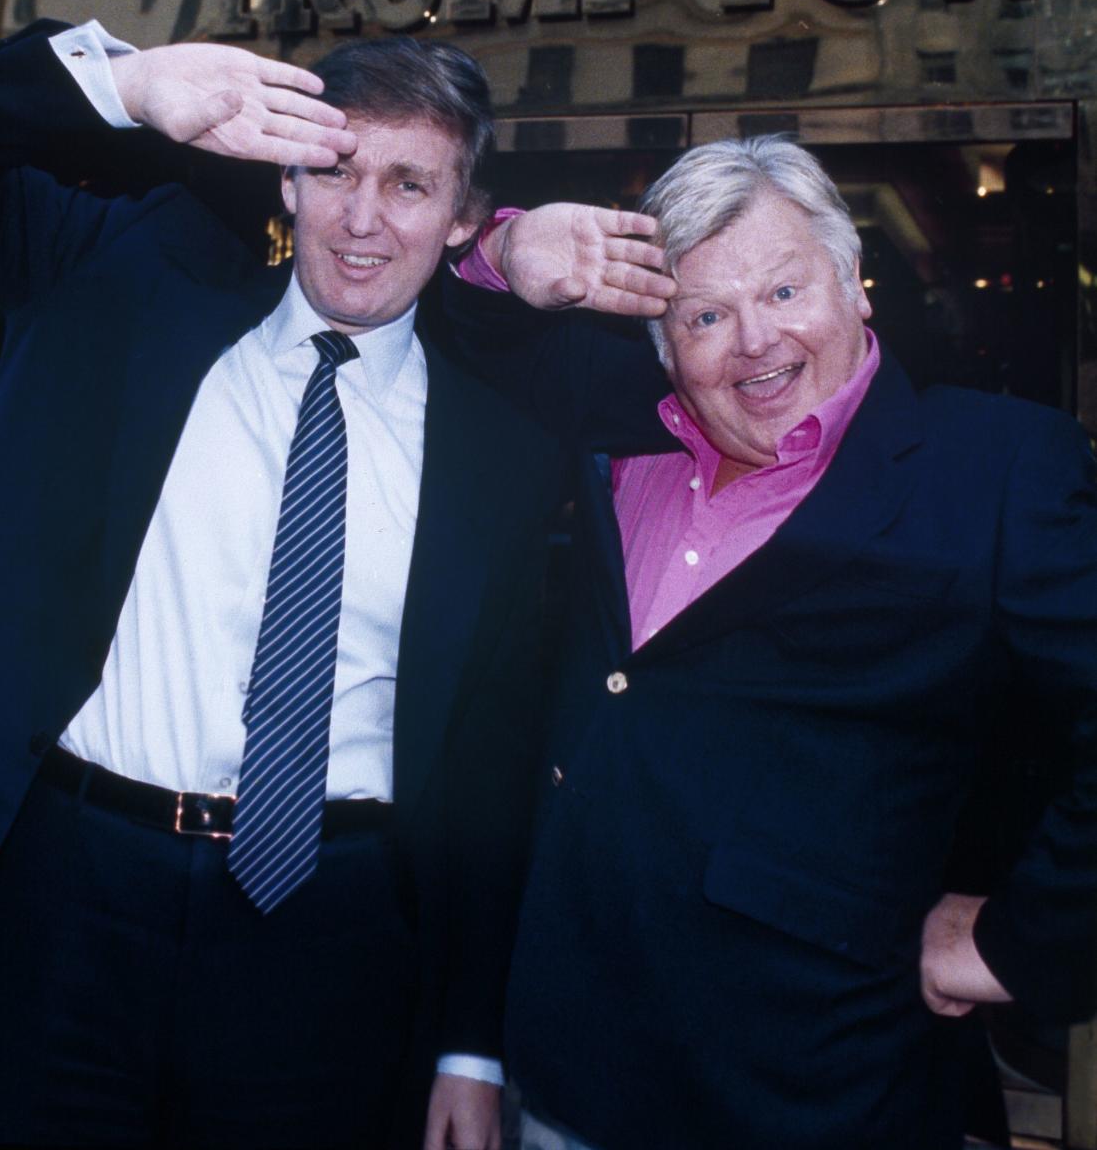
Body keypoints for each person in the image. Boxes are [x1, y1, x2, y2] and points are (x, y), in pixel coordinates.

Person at [0, 20, 566, 1150]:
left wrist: (468, 1040)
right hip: (74, 895)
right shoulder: (126, 283)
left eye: (409, 182)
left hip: (334, 932)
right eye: (333, 167)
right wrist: (128, 85)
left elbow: (490, 768)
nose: (363, 216)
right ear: (285, 173)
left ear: (468, 217)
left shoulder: (506, 445)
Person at [448, 136, 1097, 1150]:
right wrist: (505, 246)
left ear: (855, 286)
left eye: (786, 289)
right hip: (571, 1082)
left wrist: (1025, 940)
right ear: (663, 346)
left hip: (820, 1094)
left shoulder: (998, 469)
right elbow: (459, 326)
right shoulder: (624, 431)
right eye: (705, 315)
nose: (754, 341)